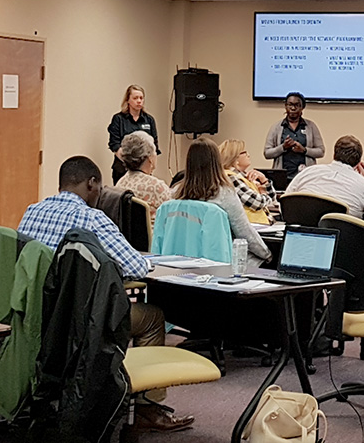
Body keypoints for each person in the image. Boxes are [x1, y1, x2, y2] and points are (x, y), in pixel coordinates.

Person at [18, 156, 193, 432]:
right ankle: (148, 406)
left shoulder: (32, 210)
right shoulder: (92, 218)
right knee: (151, 317)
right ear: (91, 183)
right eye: (99, 188)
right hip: (78, 325)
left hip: (35, 315)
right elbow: (134, 266)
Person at [176, 138, 271, 264]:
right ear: (216, 162)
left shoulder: (175, 193)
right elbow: (244, 232)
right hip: (220, 262)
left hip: (182, 259)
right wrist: (267, 254)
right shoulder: (225, 194)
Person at [284, 135, 364, 219]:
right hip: (343, 240)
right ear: (358, 163)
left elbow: (285, 202)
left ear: (334, 155)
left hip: (301, 236)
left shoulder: (308, 172)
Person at [264, 92, 325, 179]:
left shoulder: (311, 126)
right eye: (290, 105)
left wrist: (304, 150)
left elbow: (321, 151)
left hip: (305, 176)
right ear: (285, 106)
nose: (293, 108)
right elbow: (267, 153)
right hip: (282, 176)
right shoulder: (277, 127)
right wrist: (283, 147)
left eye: (297, 105)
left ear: (302, 107)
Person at [108, 85, 160, 185]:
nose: (139, 101)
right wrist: (132, 164)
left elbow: (154, 146)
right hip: (122, 169)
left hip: (145, 171)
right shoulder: (118, 119)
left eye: (141, 98)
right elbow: (115, 145)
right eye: (135, 98)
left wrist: (147, 167)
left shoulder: (149, 120)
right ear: (128, 100)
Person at [115, 130, 171, 224]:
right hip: (154, 237)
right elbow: (172, 219)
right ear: (150, 158)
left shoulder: (120, 183)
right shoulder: (157, 187)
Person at [218, 138, 275, 225]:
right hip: (252, 226)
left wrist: (264, 181)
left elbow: (272, 200)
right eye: (244, 152)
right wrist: (263, 192)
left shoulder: (243, 176)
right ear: (234, 158)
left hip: (261, 224)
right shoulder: (231, 178)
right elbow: (258, 203)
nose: (248, 155)